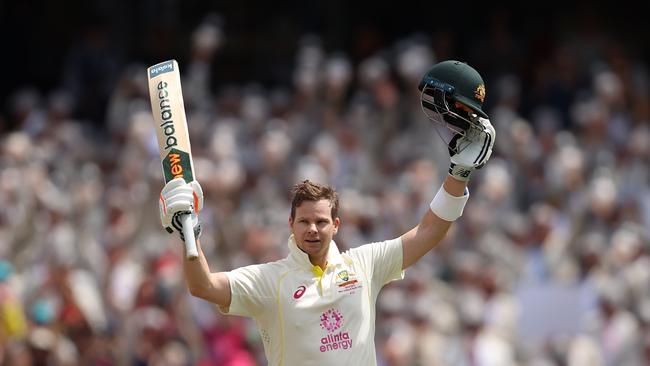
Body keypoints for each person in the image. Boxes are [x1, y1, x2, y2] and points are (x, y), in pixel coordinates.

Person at [158, 60, 496, 365]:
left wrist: (458, 175)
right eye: (304, 221)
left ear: (336, 225)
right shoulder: (269, 281)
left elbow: (430, 231)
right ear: (290, 224)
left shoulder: (364, 265)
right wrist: (187, 230)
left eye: (321, 222)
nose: (312, 230)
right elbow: (203, 286)